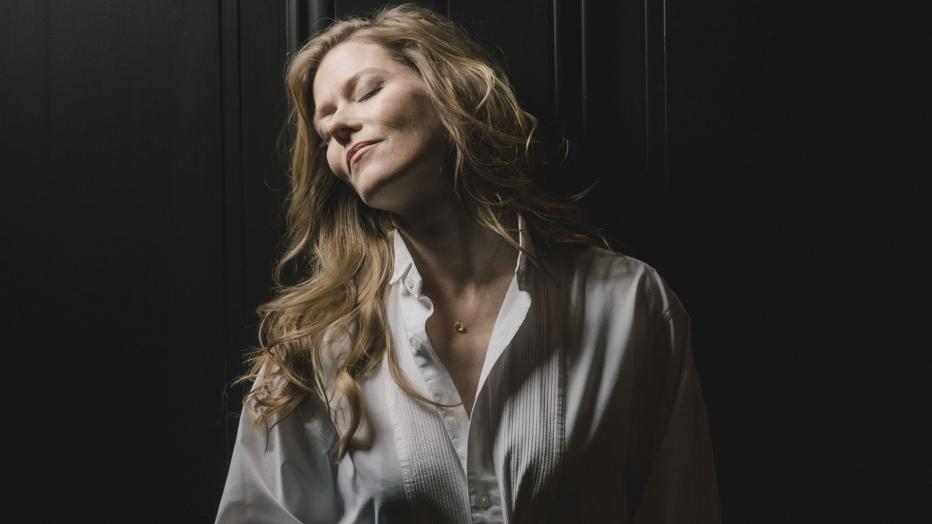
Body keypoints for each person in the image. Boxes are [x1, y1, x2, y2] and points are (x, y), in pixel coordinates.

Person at [216, 4, 720, 523]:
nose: (340, 125)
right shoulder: (316, 342)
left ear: (445, 90)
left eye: (366, 92)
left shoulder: (628, 301)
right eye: (325, 131)